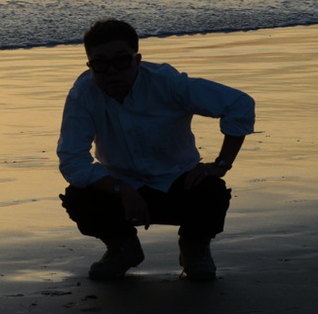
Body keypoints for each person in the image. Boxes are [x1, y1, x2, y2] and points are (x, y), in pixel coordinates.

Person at [57, 18, 255, 282]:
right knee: (78, 198)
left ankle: (194, 247)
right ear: (90, 65)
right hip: (121, 187)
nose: (112, 71)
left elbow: (239, 104)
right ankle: (122, 248)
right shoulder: (83, 94)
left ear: (137, 59)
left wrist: (221, 164)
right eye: (101, 64)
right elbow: (72, 160)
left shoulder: (168, 84)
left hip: (178, 181)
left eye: (121, 60)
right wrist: (121, 189)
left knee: (212, 193)